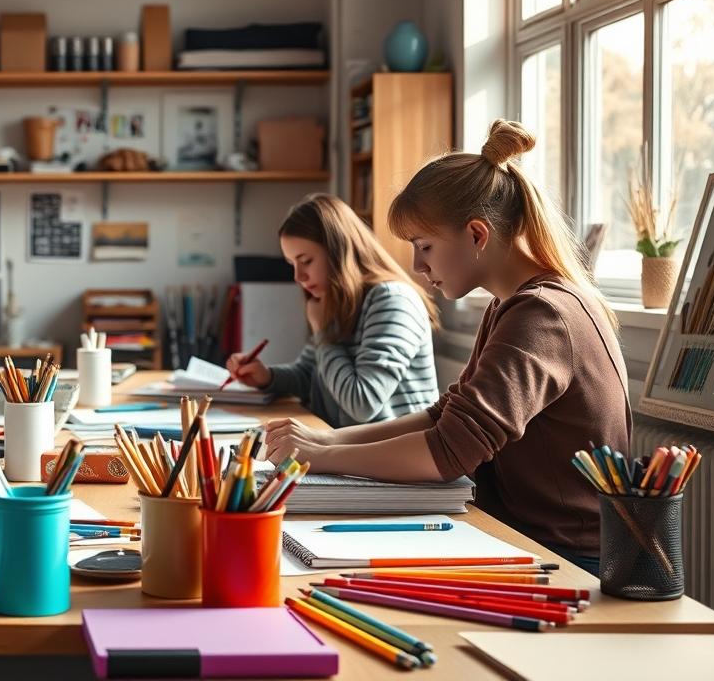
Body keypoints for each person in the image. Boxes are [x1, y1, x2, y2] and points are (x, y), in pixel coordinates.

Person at [264, 120, 630, 574]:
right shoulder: (510, 305)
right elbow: (445, 415)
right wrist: (327, 439)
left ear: (477, 235)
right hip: (525, 536)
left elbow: (447, 452)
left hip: (566, 557)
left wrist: (324, 455)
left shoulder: (542, 315)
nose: (417, 265)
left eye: (425, 246)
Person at [226, 193, 438, 426]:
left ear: (339, 252)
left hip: (391, 455)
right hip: (346, 447)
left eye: (306, 261)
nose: (298, 277)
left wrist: (323, 334)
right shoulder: (335, 300)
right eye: (292, 265)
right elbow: (312, 375)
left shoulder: (392, 300)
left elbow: (363, 403)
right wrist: (267, 377)